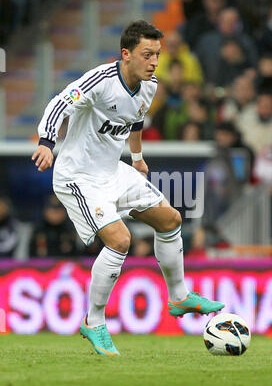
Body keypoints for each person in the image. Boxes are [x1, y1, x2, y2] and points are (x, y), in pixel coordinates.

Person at [32, 20, 224, 356]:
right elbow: (59, 103)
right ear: (126, 54)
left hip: (113, 171)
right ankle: (93, 321)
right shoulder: (100, 80)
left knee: (171, 220)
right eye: (147, 54)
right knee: (121, 240)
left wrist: (136, 158)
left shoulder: (150, 86)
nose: (154, 61)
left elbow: (135, 119)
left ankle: (179, 297)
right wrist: (48, 142)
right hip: (78, 176)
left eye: (158, 55)